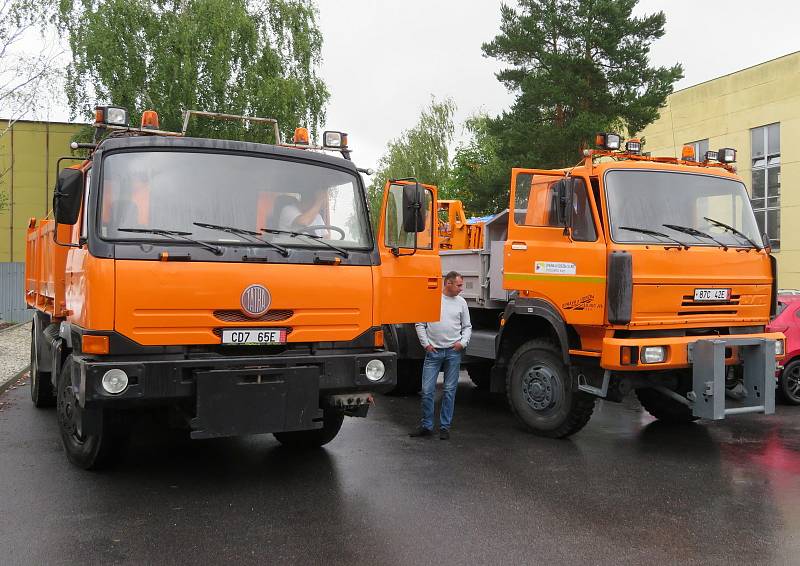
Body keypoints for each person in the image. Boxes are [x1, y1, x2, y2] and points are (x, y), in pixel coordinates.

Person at [410, 271, 472, 440]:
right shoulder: (432, 300)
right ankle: (426, 426)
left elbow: (467, 326)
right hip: (434, 352)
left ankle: (445, 427)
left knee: (450, 391)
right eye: (459, 285)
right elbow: (420, 323)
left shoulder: (461, 303)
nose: (461, 289)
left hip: (453, 352)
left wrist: (462, 343)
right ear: (448, 284)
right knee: (427, 390)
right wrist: (426, 345)